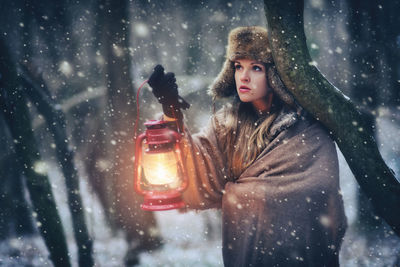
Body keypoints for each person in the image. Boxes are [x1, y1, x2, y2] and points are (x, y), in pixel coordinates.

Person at [148, 26, 347, 267]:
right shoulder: (225, 124)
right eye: (238, 66)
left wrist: (240, 193)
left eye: (256, 68)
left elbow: (318, 193)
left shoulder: (305, 128)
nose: (244, 76)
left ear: (273, 75)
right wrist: (171, 110)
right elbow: (197, 165)